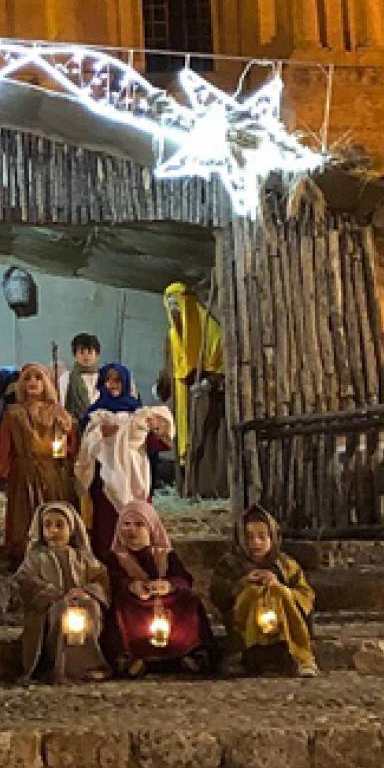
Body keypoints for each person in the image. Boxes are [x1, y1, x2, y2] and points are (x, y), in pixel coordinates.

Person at [103, 501, 215, 678]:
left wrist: (169, 585)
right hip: (135, 603)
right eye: (126, 524)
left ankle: (189, 654)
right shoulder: (115, 558)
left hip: (164, 601)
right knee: (122, 607)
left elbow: (185, 579)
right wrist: (131, 586)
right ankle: (131, 659)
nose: (131, 530)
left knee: (189, 600)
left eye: (139, 525)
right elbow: (111, 581)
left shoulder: (164, 554)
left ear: (151, 528)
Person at [75, 364, 174, 561]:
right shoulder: (95, 414)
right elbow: (85, 445)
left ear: (126, 383)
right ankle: (108, 564)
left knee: (136, 518)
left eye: (117, 380)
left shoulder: (139, 413)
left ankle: (139, 562)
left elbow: (157, 444)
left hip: (135, 474)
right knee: (107, 523)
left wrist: (156, 430)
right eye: (107, 380)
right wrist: (99, 434)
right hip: (105, 479)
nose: (112, 385)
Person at [212, 505, 317, 677]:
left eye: (262, 537)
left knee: (279, 592)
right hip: (246, 631)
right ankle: (242, 655)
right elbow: (219, 596)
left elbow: (306, 595)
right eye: (249, 537)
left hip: (282, 627)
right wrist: (243, 584)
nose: (256, 543)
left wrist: (279, 589)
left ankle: (302, 658)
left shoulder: (286, 565)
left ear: (272, 538)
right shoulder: (229, 565)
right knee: (252, 592)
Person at [15, 502, 110, 684]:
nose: (54, 530)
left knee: (90, 608)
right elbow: (26, 582)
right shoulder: (36, 557)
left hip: (80, 600)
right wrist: (55, 594)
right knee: (61, 611)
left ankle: (89, 665)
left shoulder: (82, 557)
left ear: (71, 529)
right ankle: (59, 666)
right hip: (48, 607)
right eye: (48, 525)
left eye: (60, 525)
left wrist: (86, 591)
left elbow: (100, 578)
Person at [0, 363, 78, 562]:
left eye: (38, 378)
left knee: (55, 511)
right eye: (28, 378)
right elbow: (4, 446)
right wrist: (1, 471)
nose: (33, 382)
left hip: (53, 473)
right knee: (25, 516)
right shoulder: (13, 414)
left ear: (46, 383)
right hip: (25, 474)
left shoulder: (59, 413)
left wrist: (66, 444)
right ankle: (25, 558)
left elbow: (72, 444)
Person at [158, 282, 228, 498]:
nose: (173, 308)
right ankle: (186, 489)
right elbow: (170, 367)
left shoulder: (211, 330)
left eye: (176, 301)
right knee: (182, 441)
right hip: (180, 399)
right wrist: (162, 385)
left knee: (204, 439)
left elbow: (223, 364)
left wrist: (210, 382)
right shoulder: (172, 336)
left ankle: (207, 491)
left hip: (204, 397)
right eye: (168, 303)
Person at [58, 333, 101, 425]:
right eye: (81, 352)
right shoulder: (67, 378)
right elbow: (62, 404)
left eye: (90, 352)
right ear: (75, 355)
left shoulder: (105, 376)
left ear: (97, 354)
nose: (86, 356)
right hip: (76, 426)